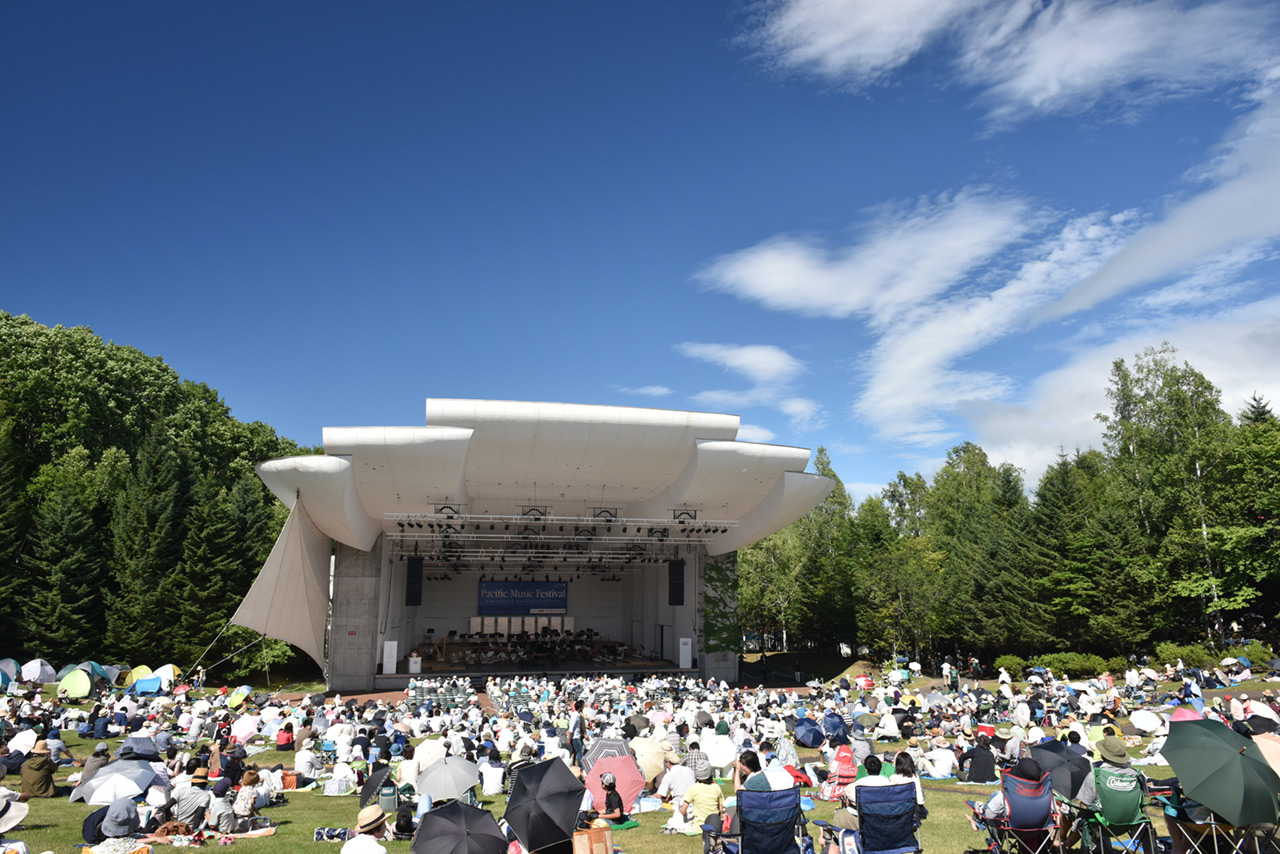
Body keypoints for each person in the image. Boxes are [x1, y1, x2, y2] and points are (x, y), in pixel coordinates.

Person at [661, 764, 723, 835]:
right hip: (714, 826)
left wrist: (685, 816)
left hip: (699, 827)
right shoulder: (717, 787)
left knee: (675, 820)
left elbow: (683, 810)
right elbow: (720, 810)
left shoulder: (693, 788)